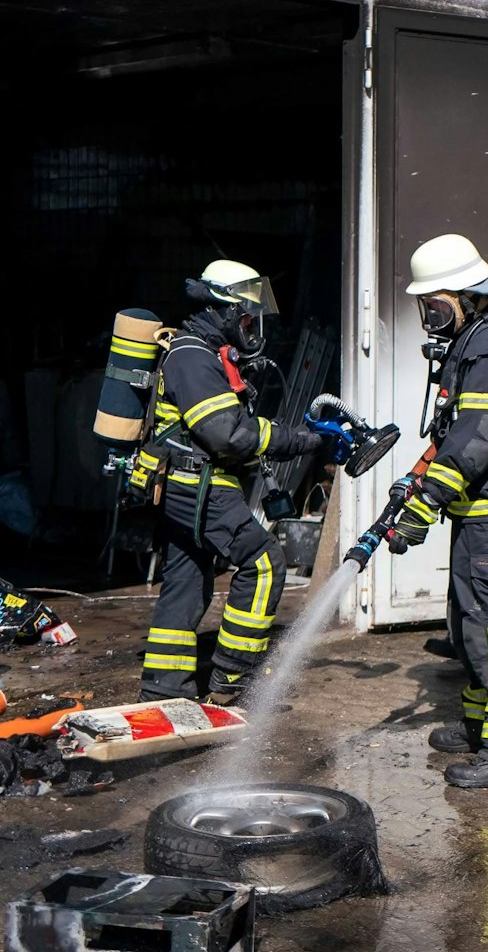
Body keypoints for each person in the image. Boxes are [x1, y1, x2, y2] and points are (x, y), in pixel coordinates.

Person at [351, 234, 488, 789]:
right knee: (468, 623)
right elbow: (453, 434)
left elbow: (482, 437)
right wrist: (417, 484)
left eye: (435, 307)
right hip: (478, 511)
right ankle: (481, 726)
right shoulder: (476, 338)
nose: (429, 319)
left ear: (471, 296)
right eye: (425, 309)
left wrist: (426, 504)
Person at [141, 260, 325, 703]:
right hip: (196, 482)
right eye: (245, 316)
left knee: (186, 582)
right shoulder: (191, 356)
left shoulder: (204, 354)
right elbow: (228, 434)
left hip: (189, 481)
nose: (251, 325)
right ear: (222, 311)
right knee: (263, 565)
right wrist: (303, 440)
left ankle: (165, 691)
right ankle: (232, 682)